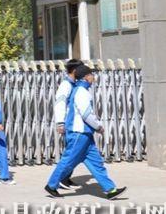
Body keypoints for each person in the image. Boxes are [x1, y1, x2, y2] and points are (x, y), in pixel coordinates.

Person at [45, 65, 127, 199]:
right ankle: (51, 185)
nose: (93, 77)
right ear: (86, 77)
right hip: (79, 133)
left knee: (96, 163)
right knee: (67, 161)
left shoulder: (81, 90)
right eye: (91, 74)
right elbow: (86, 114)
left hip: (85, 134)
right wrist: (98, 126)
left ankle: (110, 190)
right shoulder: (81, 92)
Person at [52, 59, 82, 190]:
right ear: (75, 70)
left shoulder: (74, 84)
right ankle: (61, 179)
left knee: (73, 153)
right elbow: (60, 103)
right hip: (68, 124)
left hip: (73, 123)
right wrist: (60, 123)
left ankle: (65, 178)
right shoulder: (66, 85)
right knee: (71, 153)